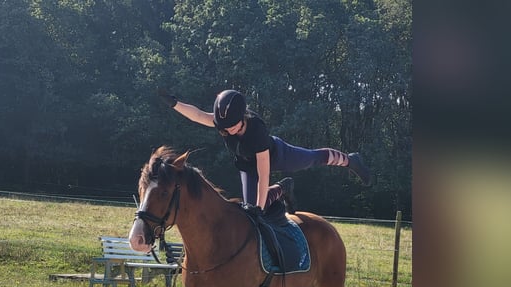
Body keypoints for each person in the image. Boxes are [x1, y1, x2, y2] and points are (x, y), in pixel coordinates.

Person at [158, 88, 371, 213]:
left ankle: (349, 160)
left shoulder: (256, 130)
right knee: (248, 207)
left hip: (277, 155)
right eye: (224, 127)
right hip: (246, 164)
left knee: (312, 159)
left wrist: (259, 211)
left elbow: (263, 174)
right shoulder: (224, 122)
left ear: (242, 117)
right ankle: (283, 188)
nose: (228, 131)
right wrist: (174, 103)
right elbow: (198, 115)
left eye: (232, 126)